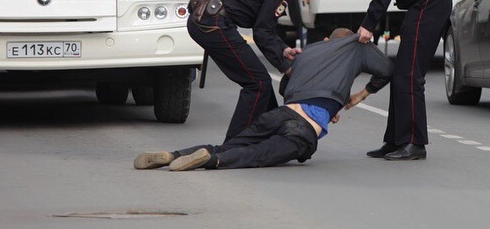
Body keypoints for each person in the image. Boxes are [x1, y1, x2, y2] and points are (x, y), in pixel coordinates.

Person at [133, 28, 394, 171]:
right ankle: (212, 161)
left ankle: (175, 155)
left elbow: (287, 87)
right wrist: (361, 94)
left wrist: (331, 101)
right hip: (302, 131)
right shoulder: (356, 47)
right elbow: (388, 70)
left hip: (281, 114)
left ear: (327, 40)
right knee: (256, 155)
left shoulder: (309, 52)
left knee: (233, 144)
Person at [325, 0, 451, 161]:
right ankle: (395, 140)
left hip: (427, 2)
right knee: (401, 72)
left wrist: (369, 25)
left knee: (409, 75)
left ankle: (414, 143)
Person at [188, 0, 325, 142]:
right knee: (257, 83)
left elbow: (264, 27)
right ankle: (235, 144)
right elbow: (261, 32)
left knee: (260, 81)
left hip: (206, 20)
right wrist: (286, 68)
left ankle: (273, 135)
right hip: (213, 24)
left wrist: (283, 49)